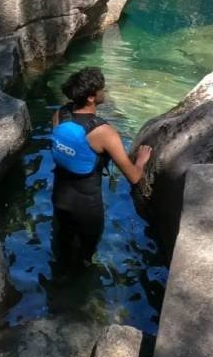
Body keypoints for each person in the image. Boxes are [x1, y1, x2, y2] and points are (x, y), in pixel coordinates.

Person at [49, 66, 152, 268]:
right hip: (86, 206)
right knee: (85, 258)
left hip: (59, 197)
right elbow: (133, 177)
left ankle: (59, 281)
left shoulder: (59, 115)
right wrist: (141, 160)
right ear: (91, 98)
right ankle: (82, 290)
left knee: (62, 248)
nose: (104, 92)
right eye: (101, 90)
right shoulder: (104, 132)